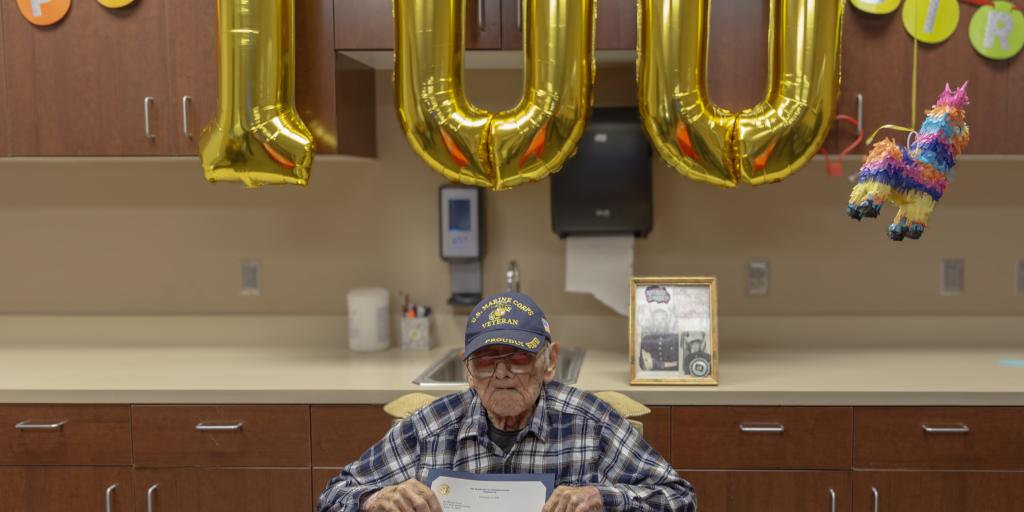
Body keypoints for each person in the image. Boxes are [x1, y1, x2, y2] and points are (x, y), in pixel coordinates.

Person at [318, 292, 696, 512]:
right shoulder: (431, 427)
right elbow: (332, 496)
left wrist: (604, 498)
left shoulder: (590, 422)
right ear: (468, 371)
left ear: (549, 363)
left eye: (517, 358)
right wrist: (374, 500)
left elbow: (680, 499)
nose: (501, 374)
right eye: (486, 361)